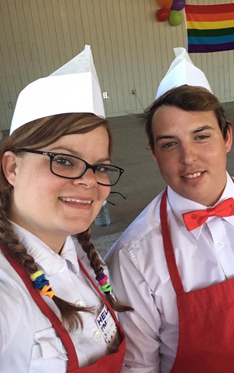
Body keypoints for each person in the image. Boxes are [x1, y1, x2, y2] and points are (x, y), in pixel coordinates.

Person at [106, 48, 234, 372]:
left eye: (201, 136)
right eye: (169, 143)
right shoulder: (132, 259)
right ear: (153, 153)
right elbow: (138, 367)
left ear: (227, 137)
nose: (189, 157)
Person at [0, 46, 132, 372]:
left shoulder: (84, 257)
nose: (89, 181)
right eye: (63, 160)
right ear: (12, 167)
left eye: (100, 167)